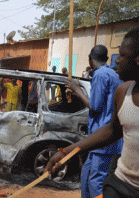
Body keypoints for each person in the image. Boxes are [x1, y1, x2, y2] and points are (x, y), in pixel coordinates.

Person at [45, 44, 126, 198]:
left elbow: (95, 106)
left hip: (103, 138)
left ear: (90, 58)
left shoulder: (100, 75)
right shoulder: (112, 74)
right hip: (100, 139)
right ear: (107, 58)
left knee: (96, 180)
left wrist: (77, 89)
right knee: (86, 174)